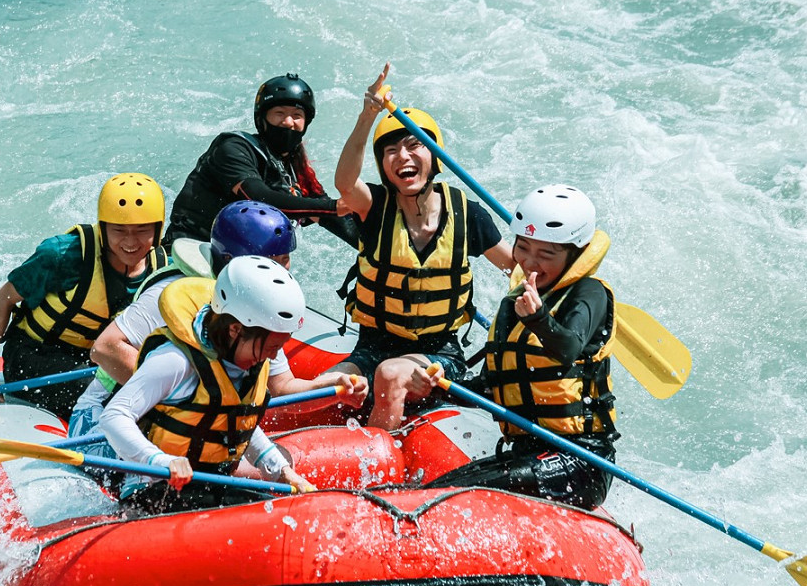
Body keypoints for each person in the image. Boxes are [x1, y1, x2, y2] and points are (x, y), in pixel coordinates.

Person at [67, 200, 367, 441]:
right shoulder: (174, 294)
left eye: (286, 261)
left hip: (192, 423)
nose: (285, 274)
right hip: (108, 415)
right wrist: (190, 399)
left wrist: (332, 387)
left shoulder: (257, 311)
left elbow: (283, 386)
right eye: (275, 263)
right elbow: (105, 348)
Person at [329, 64, 514, 431]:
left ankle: (378, 475)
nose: (403, 156)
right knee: (330, 387)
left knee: (391, 373)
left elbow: (516, 269)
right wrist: (368, 116)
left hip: (439, 354)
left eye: (414, 145)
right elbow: (345, 184)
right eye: (391, 151)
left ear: (434, 157)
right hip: (373, 345)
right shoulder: (377, 207)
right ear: (384, 166)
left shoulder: (469, 216)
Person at [427, 185, 619, 510]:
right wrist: (438, 387)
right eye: (523, 247)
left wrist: (540, 319)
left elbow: (568, 347)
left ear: (576, 252)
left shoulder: (590, 294)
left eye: (546, 254)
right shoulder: (514, 304)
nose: (530, 263)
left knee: (452, 497)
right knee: (437, 490)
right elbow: (491, 387)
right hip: (526, 453)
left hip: (581, 459)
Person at [99, 257, 317, 514]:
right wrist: (160, 461)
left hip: (206, 488)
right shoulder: (175, 361)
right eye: (270, 347)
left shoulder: (244, 363)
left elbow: (233, 422)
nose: (272, 357)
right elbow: (114, 416)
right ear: (235, 329)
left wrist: (281, 470)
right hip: (153, 491)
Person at [0, 173, 168, 419]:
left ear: (158, 230)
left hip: (92, 360)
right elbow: (3, 299)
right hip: (32, 355)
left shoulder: (160, 270)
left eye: (141, 231)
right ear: (103, 228)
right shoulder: (64, 255)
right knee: (105, 394)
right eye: (119, 230)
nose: (130, 242)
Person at [162, 73, 359, 248]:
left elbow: (331, 217)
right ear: (262, 119)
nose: (289, 122)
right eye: (279, 113)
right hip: (190, 249)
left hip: (237, 258)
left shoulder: (292, 170)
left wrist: (376, 249)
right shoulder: (232, 148)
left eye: (297, 115)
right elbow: (257, 196)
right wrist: (333, 207)